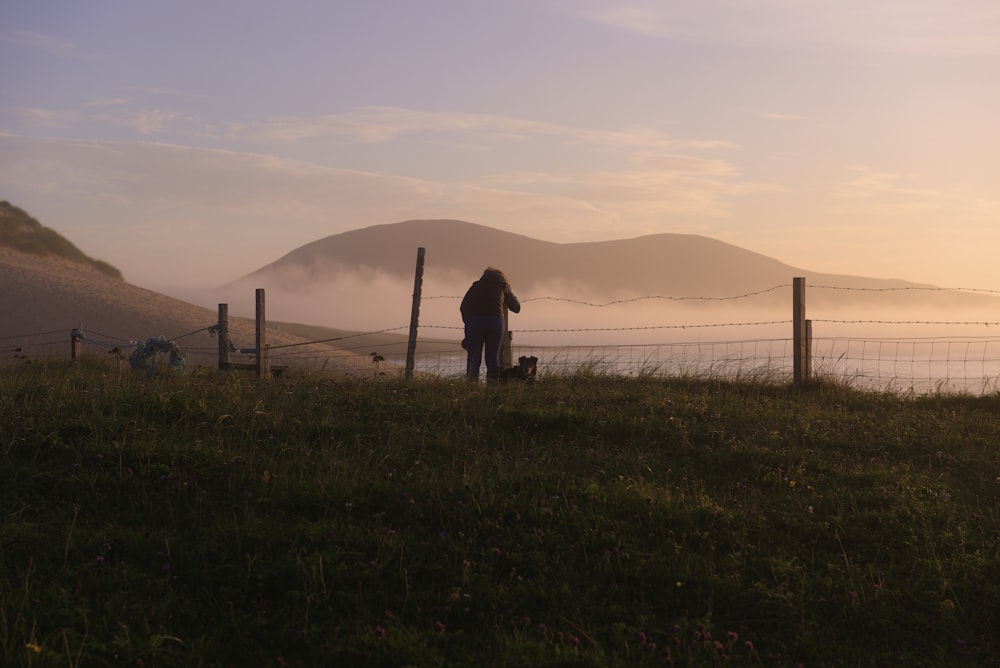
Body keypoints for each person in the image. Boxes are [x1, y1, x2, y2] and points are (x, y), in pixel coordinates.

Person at [460, 267, 521, 382]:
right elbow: (516, 308)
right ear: (501, 278)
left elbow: (463, 307)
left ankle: (471, 387)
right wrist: (508, 291)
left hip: (474, 322)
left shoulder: (475, 286)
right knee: (492, 358)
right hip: (494, 322)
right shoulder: (502, 286)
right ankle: (492, 387)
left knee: (473, 358)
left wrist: (468, 323)